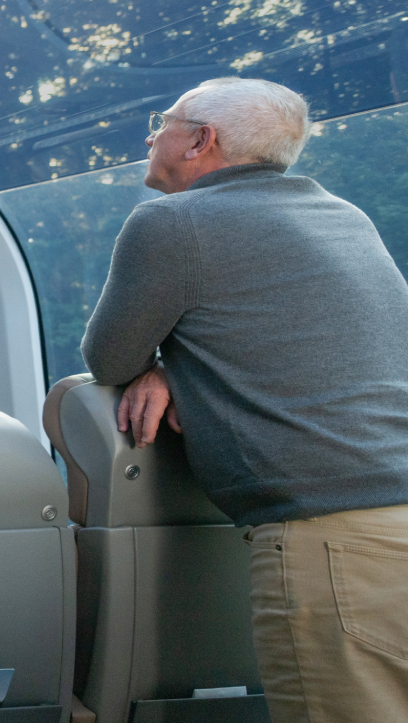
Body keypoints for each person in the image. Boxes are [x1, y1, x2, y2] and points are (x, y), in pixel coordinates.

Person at [81, 78, 408, 723]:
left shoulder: (171, 223)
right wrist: (185, 364)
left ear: (202, 140)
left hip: (329, 538)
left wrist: (159, 365)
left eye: (163, 121)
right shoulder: (346, 217)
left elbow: (110, 358)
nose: (151, 136)